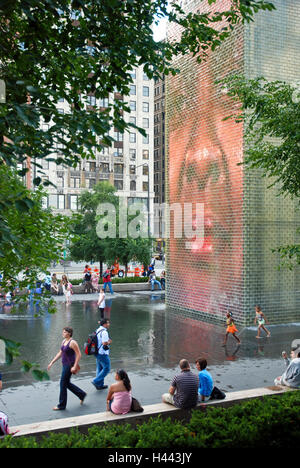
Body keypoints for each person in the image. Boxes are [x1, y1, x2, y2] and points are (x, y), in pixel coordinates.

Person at [47, 327, 86, 411]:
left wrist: (75, 366)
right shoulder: (64, 341)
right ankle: (82, 394)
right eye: (63, 332)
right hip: (64, 364)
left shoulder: (73, 342)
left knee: (62, 384)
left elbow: (79, 354)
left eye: (64, 332)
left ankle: (62, 405)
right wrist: (52, 362)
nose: (63, 333)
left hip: (69, 365)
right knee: (66, 383)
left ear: (69, 333)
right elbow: (60, 352)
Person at [92, 318, 112, 390]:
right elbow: (104, 343)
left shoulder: (98, 330)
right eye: (108, 323)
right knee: (107, 368)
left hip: (97, 352)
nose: (109, 324)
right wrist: (109, 342)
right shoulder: (104, 332)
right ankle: (96, 381)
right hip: (102, 353)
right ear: (104, 324)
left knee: (100, 368)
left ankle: (99, 385)